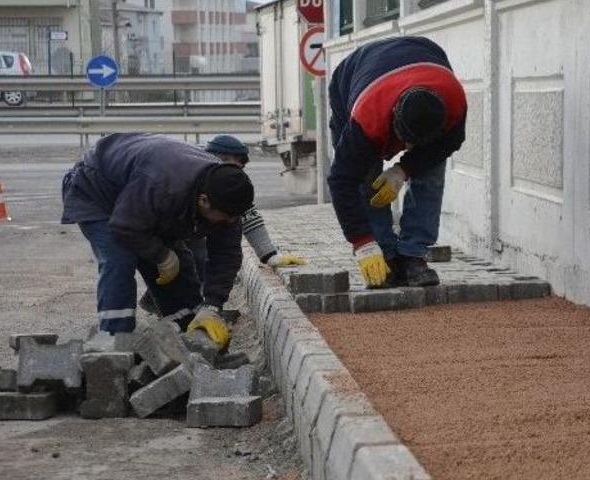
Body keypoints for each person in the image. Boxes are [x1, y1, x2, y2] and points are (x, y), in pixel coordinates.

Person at [61, 133, 255, 351]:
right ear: (204, 201)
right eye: (225, 217)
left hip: (142, 200)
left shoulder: (226, 200)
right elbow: (125, 226)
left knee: (180, 263)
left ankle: (189, 332)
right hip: (97, 191)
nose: (228, 222)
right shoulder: (163, 184)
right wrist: (161, 255)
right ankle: (114, 341)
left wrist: (212, 306)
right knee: (120, 258)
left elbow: (226, 255)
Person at [327, 36, 468, 288]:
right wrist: (362, 242)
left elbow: (448, 144)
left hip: (424, 58)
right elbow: (341, 180)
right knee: (366, 177)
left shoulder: (454, 103)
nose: (406, 148)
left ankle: (413, 255)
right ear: (393, 120)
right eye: (405, 141)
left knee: (431, 170)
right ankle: (384, 254)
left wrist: (404, 169)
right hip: (351, 79)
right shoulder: (366, 119)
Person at [138, 134, 306, 315]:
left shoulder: (231, 184)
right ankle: (162, 303)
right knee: (190, 259)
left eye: (239, 164)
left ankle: (196, 308)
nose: (234, 167)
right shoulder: (191, 175)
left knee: (204, 259)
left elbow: (249, 218)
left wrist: (270, 255)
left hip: (190, 233)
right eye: (228, 161)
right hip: (164, 231)